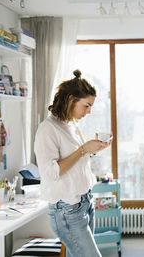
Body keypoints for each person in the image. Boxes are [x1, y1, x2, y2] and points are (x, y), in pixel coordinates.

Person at [34, 70, 110, 257]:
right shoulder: (47, 129)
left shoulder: (70, 125)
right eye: (86, 105)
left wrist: (91, 151)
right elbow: (51, 173)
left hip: (84, 202)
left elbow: (75, 161)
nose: (89, 111)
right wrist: (83, 149)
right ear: (71, 99)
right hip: (67, 209)